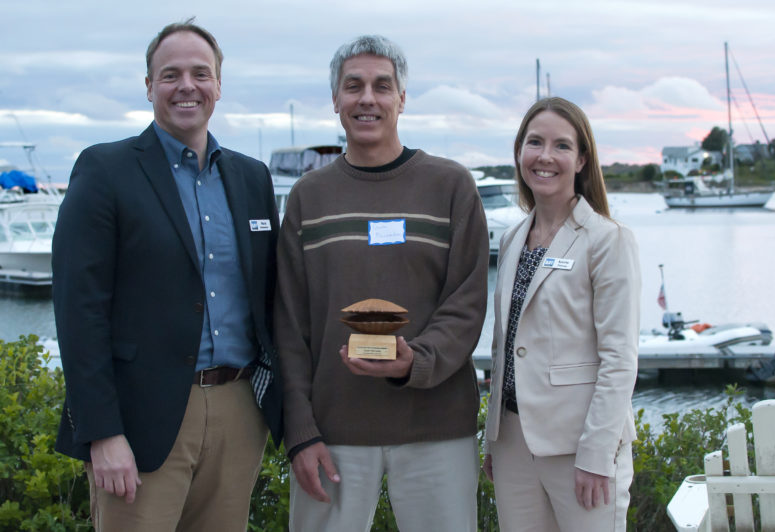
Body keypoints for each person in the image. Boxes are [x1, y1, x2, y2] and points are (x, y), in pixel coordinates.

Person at [52, 18, 282, 531]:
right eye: (170, 74)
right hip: (140, 421)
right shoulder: (105, 171)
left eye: (200, 73)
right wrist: (102, 433)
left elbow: (271, 299)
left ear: (218, 85)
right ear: (150, 86)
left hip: (239, 411)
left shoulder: (251, 177)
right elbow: (78, 311)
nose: (186, 86)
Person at [275, 35, 489, 531]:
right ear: (336, 100)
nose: (367, 98)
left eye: (381, 86)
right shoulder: (308, 197)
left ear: (402, 98)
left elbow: (468, 302)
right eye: (353, 86)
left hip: (436, 428)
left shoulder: (451, 186)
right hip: (332, 435)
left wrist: (416, 359)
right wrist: (300, 431)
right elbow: (288, 325)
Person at [482, 97, 640, 531]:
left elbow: (620, 359)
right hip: (512, 444)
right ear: (519, 153)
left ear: (582, 159)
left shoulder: (608, 241)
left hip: (580, 449)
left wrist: (596, 455)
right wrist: (493, 442)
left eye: (561, 146)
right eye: (534, 142)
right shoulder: (513, 238)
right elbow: (504, 344)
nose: (545, 156)